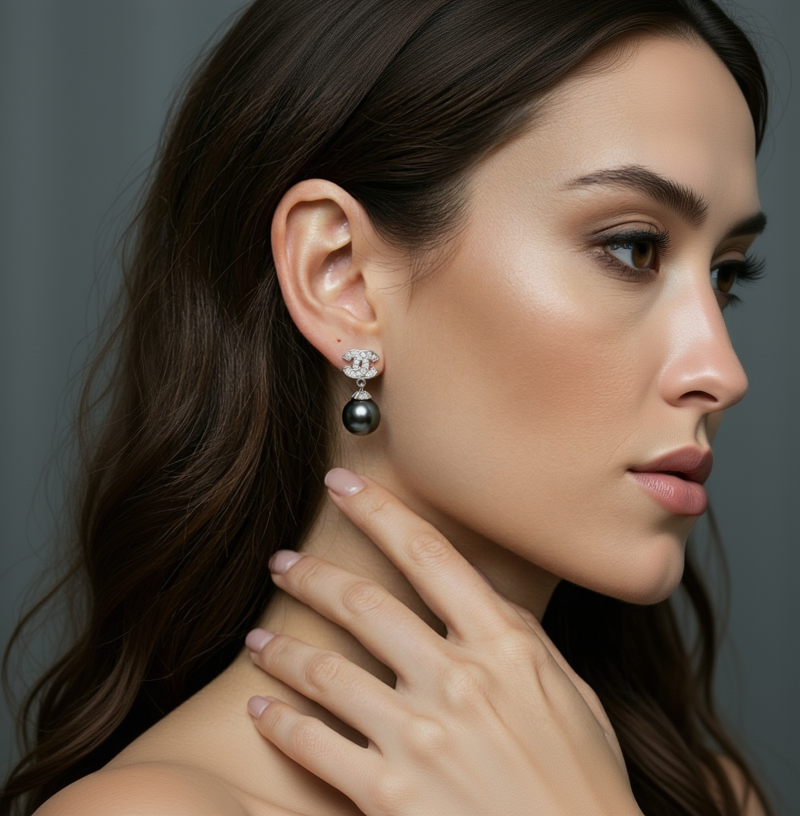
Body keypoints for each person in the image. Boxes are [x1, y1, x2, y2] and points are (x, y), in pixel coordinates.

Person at [0, 0, 776, 814]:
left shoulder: (705, 795)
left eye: (725, 276)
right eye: (633, 248)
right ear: (341, 278)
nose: (721, 371)